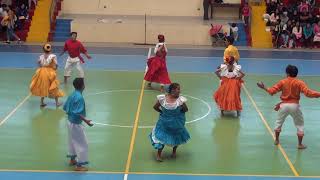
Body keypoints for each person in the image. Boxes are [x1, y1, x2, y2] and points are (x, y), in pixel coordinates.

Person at [257, 65, 320, 149]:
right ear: (296, 74)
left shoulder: (282, 82)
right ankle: (300, 144)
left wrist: (264, 87)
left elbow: (272, 91)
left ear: (287, 73)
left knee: (278, 122)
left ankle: (276, 140)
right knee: (299, 124)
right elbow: (308, 93)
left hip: (283, 106)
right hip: (295, 106)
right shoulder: (300, 82)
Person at [149, 83, 190, 162]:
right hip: (164, 122)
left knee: (176, 136)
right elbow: (155, 107)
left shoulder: (180, 100)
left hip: (176, 122)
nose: (179, 91)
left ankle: (174, 152)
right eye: (178, 89)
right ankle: (158, 155)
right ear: (172, 90)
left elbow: (185, 109)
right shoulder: (162, 99)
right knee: (161, 137)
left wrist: (177, 113)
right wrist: (162, 112)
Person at [63, 78, 93, 171]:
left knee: (72, 141)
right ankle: (79, 166)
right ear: (83, 86)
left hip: (69, 122)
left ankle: (72, 160)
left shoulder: (72, 94)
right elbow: (78, 112)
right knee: (82, 143)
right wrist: (86, 121)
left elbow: (65, 107)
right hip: (76, 124)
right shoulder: (79, 97)